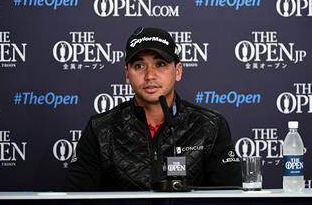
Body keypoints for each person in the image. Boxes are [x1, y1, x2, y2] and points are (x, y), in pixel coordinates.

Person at [65, 27, 242, 191]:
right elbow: (76, 199)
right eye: (139, 66)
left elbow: (231, 198)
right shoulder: (100, 129)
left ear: (178, 71)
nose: (149, 75)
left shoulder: (210, 126)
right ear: (127, 74)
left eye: (160, 64)